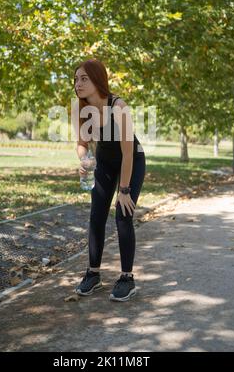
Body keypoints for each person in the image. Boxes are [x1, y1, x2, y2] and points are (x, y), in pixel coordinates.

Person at [72, 59, 146, 302]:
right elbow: (82, 144)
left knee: (123, 214)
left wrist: (124, 190)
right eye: (76, 79)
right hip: (104, 163)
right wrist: (84, 160)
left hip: (131, 162)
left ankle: (127, 278)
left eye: (84, 78)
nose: (78, 84)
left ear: (98, 80)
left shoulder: (118, 106)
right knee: (96, 214)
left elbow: (127, 154)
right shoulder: (82, 109)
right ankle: (93, 274)